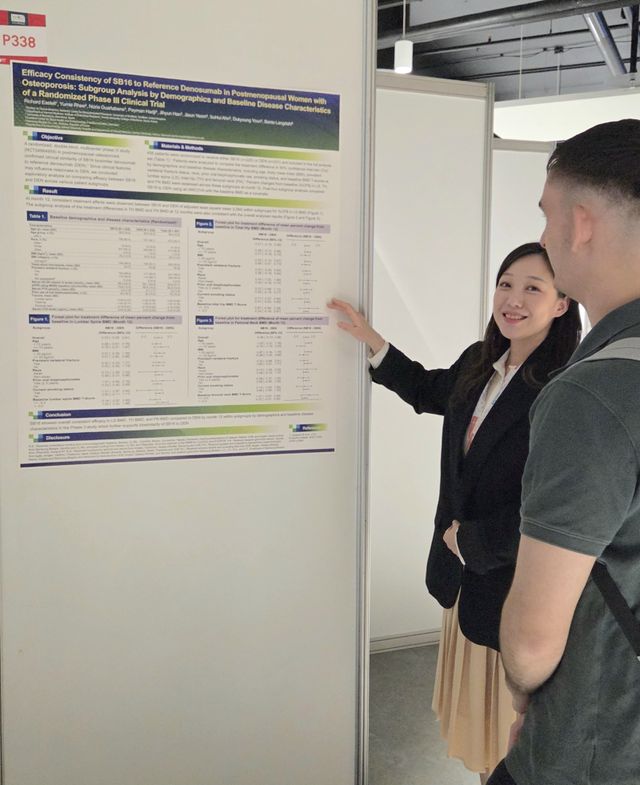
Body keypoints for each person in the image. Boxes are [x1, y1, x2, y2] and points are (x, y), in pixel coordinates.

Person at [329, 242, 581, 782]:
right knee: (477, 726)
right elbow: (427, 389)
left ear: (562, 304)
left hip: (513, 589)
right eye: (505, 284)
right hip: (462, 580)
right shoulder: (480, 361)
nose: (513, 299)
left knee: (508, 734)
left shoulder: (564, 388)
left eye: (533, 288)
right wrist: (371, 341)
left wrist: (472, 542)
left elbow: (558, 508)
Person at [488, 119, 640, 785]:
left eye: (547, 216)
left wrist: (524, 693)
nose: (546, 237)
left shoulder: (594, 391)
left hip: (596, 746)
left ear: (581, 224)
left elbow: (530, 641)